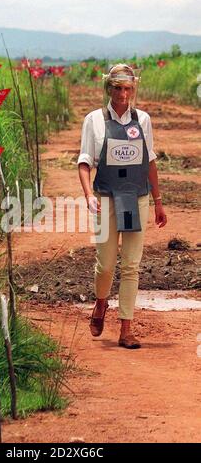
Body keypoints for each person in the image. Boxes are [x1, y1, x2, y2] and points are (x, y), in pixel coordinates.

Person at [78, 63, 167, 349]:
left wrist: (158, 201)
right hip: (105, 198)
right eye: (118, 88)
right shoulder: (93, 120)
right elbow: (84, 162)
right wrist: (88, 195)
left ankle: (126, 328)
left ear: (133, 89)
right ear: (109, 88)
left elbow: (149, 162)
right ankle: (101, 302)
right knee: (105, 265)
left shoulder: (143, 120)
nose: (123, 94)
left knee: (131, 265)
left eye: (128, 88)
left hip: (136, 198)